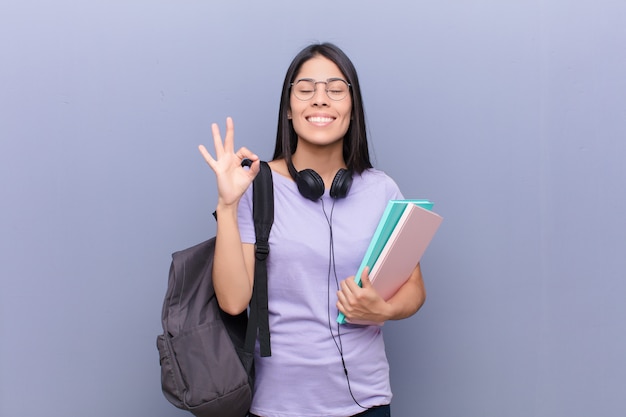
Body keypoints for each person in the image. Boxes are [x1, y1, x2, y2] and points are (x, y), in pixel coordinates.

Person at [198, 42, 426, 417]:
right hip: (277, 406)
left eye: (335, 90)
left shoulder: (382, 189)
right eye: (306, 90)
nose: (320, 100)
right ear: (289, 109)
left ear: (352, 109)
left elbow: (414, 288)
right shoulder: (256, 186)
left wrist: (381, 309)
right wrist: (227, 205)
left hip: (367, 402)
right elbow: (234, 302)